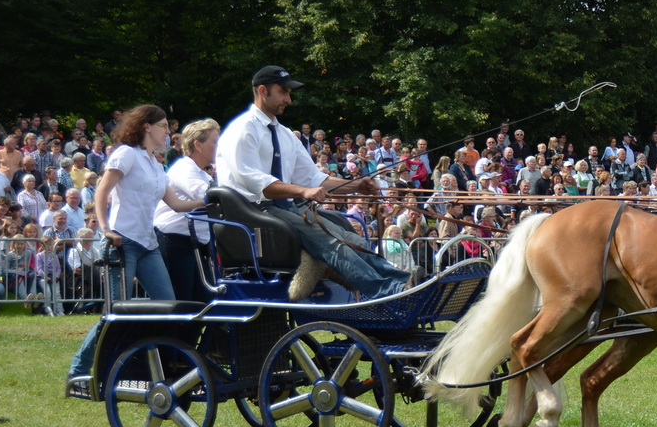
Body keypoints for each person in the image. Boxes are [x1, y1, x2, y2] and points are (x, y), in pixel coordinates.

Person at [218, 66, 410, 301]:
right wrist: (303, 191)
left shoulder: (285, 134)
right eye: (283, 92)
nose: (288, 99)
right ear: (262, 91)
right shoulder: (242, 130)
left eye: (289, 93)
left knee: (352, 239)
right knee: (331, 242)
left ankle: (402, 283)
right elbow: (254, 181)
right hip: (254, 213)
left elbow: (313, 178)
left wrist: (356, 185)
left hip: (285, 207)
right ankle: (388, 292)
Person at [65, 106, 210, 383]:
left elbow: (177, 204)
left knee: (167, 305)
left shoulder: (156, 164)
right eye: (164, 126)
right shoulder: (125, 154)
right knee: (117, 311)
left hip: (149, 243)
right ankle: (80, 369)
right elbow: (102, 191)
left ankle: (141, 363)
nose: (168, 132)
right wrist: (105, 229)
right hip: (124, 241)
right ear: (147, 127)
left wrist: (212, 201)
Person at [154, 118, 220, 302]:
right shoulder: (184, 168)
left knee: (204, 301)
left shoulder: (201, 172)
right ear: (198, 145)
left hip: (194, 243)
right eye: (215, 141)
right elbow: (209, 195)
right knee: (183, 302)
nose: (219, 146)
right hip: (175, 241)